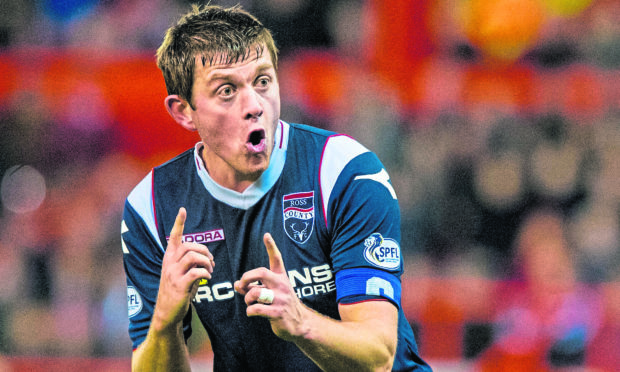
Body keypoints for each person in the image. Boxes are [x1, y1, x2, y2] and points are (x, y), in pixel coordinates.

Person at [121, 4, 432, 371]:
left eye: (263, 81)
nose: (254, 105)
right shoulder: (152, 207)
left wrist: (300, 323)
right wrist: (165, 323)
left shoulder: (342, 171)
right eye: (226, 90)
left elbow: (379, 355)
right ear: (183, 111)